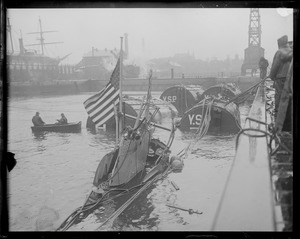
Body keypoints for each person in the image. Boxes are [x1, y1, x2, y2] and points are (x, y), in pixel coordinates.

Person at [269, 35, 293, 119]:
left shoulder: (279, 52)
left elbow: (275, 66)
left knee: (279, 94)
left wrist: (271, 76)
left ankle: (278, 113)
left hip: (280, 78)